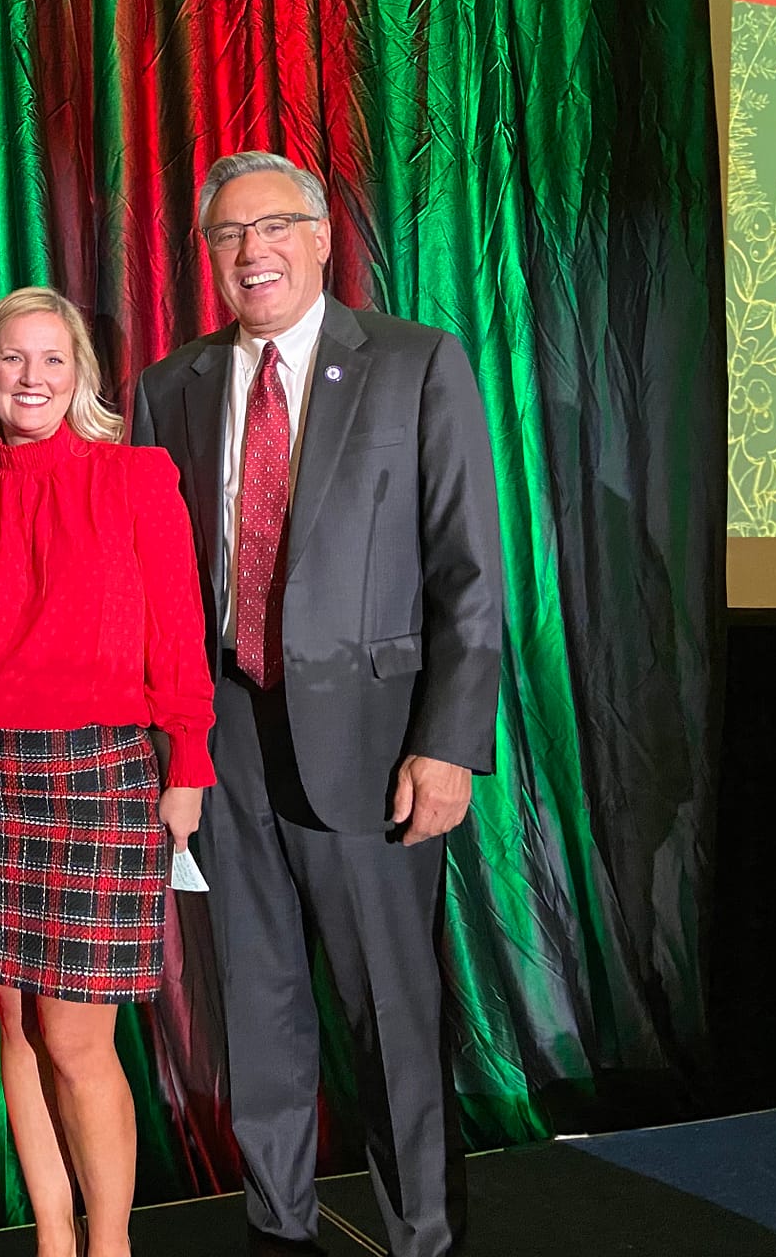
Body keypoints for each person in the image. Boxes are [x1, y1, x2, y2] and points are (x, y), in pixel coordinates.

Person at [133, 152, 502, 1257]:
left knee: (393, 1020)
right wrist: (173, 749)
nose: (253, 251)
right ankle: (278, 1227)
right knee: (259, 1011)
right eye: (229, 235)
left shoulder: (414, 364)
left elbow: (468, 578)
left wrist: (447, 747)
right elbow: (158, 585)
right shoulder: (172, 386)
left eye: (275, 226)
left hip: (378, 747)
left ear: (323, 236)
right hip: (229, 740)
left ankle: (422, 1237)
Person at [0, 287, 215, 1257]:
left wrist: (190, 764)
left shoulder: (136, 478)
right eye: (14, 359)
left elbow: (181, 632)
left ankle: (108, 1243)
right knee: (12, 1023)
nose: (33, 379)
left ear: (81, 376)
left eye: (53, 360)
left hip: (99, 770)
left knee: (76, 1038)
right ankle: (53, 1232)